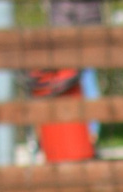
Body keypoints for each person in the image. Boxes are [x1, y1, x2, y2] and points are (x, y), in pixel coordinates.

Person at [45, 0, 103, 142]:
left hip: (64, 23)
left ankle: (71, 137)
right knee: (88, 78)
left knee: (67, 80)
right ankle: (89, 136)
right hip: (89, 23)